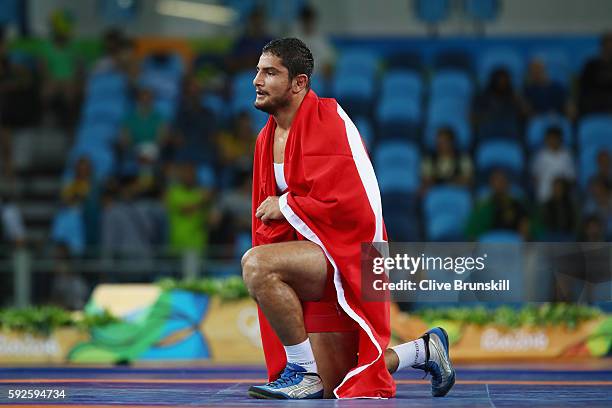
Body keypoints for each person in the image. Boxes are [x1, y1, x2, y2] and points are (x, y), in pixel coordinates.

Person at [242, 38, 455, 400]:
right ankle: (423, 350)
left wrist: (287, 205)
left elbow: (351, 204)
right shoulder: (266, 137)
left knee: (257, 265)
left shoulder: (328, 121)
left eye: (270, 73)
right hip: (315, 257)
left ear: (299, 83)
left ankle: (302, 373)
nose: (257, 81)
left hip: (353, 252)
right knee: (337, 381)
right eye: (258, 71)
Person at [578, 31, 612, 116]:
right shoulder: (591, 65)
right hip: (593, 103)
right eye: (608, 45)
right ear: (602, 46)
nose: (610, 48)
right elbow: (583, 87)